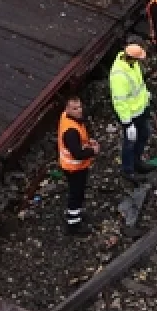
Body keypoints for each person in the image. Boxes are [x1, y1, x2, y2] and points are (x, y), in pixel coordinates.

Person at [110, 43, 153, 184]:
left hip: (140, 110)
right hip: (130, 116)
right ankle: (128, 170)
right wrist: (128, 124)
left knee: (144, 135)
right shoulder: (119, 76)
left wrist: (145, 96)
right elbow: (120, 102)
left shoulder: (132, 66)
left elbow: (138, 85)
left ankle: (137, 161)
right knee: (130, 143)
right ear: (132, 58)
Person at [57, 96, 99, 235]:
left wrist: (87, 142)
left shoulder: (67, 118)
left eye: (79, 107)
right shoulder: (71, 131)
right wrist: (93, 150)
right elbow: (77, 154)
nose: (79, 111)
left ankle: (77, 215)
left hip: (72, 166)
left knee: (78, 193)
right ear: (67, 109)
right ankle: (73, 224)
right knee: (76, 194)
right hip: (74, 168)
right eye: (75, 109)